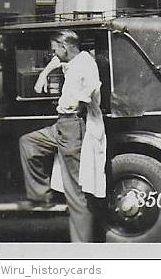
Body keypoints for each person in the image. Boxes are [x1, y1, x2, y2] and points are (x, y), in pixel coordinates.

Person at [18, 30, 107, 242]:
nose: (53, 54)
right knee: (28, 143)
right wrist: (43, 74)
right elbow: (58, 61)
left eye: (54, 49)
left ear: (64, 46)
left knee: (75, 192)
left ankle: (81, 248)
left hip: (73, 125)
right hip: (62, 124)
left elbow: (92, 88)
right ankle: (41, 196)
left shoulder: (85, 65)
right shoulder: (75, 59)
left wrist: (77, 102)